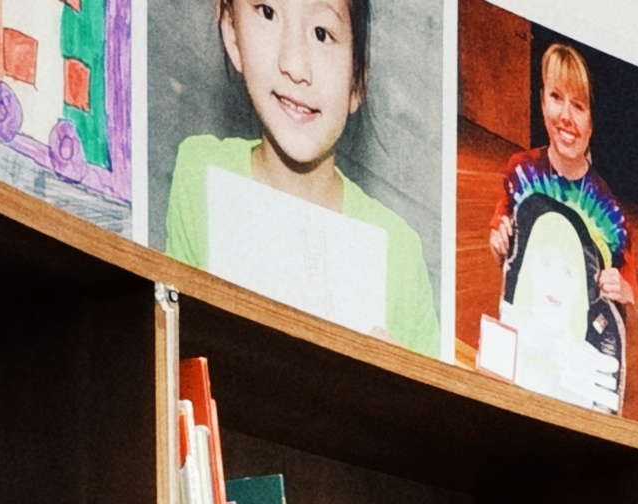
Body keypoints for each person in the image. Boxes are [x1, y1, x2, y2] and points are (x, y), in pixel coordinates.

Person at [165, 0, 440, 357]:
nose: (295, 66)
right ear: (232, 32)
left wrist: (401, 388)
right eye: (267, 13)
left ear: (357, 82)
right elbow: (174, 361)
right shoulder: (200, 171)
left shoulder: (398, 250)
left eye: (322, 34)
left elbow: (436, 409)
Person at [487, 39, 638, 321]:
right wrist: (498, 244)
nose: (566, 116)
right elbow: (506, 261)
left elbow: (632, 309)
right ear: (543, 101)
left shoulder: (611, 214)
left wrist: (625, 292)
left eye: (579, 106)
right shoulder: (519, 172)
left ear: (593, 121)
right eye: (556, 97)